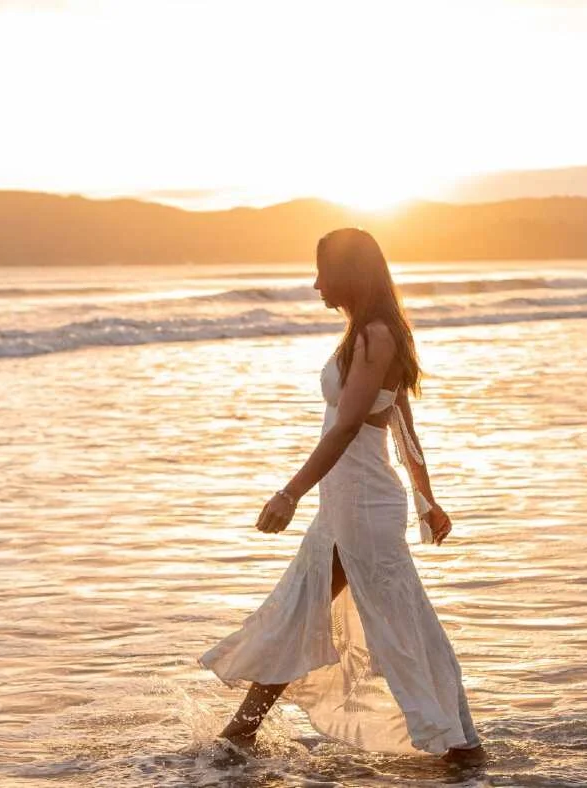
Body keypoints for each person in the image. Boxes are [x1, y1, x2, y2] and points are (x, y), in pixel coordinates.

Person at [198, 228, 487, 767]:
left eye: (321, 272)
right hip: (346, 503)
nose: (314, 284)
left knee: (390, 626)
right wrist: (428, 499)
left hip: (362, 506)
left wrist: (289, 493)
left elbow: (350, 425)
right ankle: (241, 732)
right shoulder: (368, 332)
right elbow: (401, 421)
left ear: (347, 273)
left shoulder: (374, 336)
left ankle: (455, 743)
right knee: (307, 612)